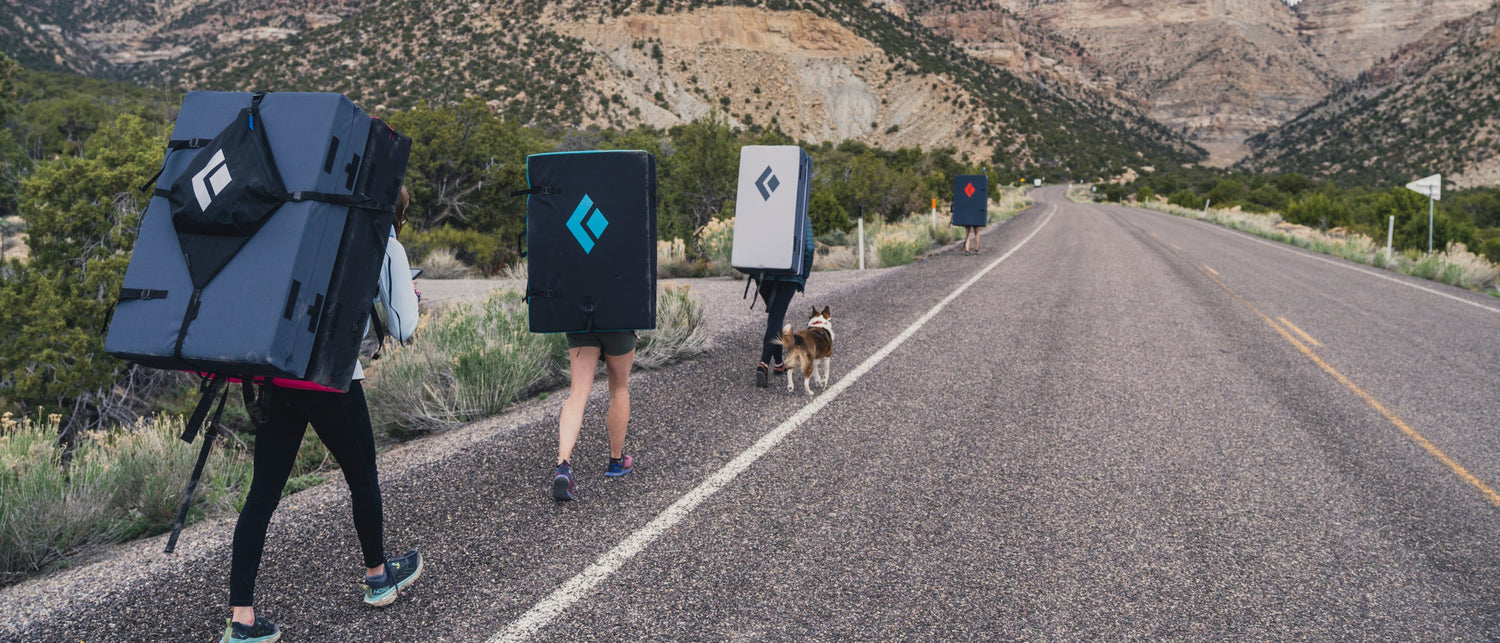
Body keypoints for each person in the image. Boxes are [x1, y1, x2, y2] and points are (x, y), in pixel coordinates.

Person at [221, 187, 422, 643]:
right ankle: (377, 576)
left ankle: (242, 620)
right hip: (331, 379)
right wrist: (408, 289)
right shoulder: (383, 242)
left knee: (262, 497)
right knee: (362, 477)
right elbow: (404, 326)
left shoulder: (303, 226)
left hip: (277, 376)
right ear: (397, 212)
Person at [552, 330, 637, 501]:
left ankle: (563, 465)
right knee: (619, 388)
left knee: (577, 394)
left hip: (582, 316)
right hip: (619, 319)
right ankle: (616, 460)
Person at [754, 213, 816, 388]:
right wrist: (803, 277)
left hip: (763, 273)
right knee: (775, 318)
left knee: (776, 317)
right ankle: (763, 365)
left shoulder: (768, 208)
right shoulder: (799, 211)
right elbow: (809, 248)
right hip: (788, 275)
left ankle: (779, 363)